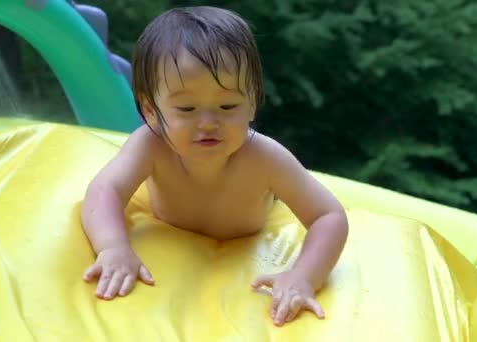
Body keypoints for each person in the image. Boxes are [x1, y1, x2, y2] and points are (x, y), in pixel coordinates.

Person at [80, 6, 348, 327]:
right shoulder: (148, 145)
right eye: (187, 108)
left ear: (252, 103)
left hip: (243, 251)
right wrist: (112, 247)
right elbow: (103, 189)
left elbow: (328, 216)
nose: (208, 122)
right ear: (151, 111)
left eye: (228, 106)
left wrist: (305, 276)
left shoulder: (264, 158)